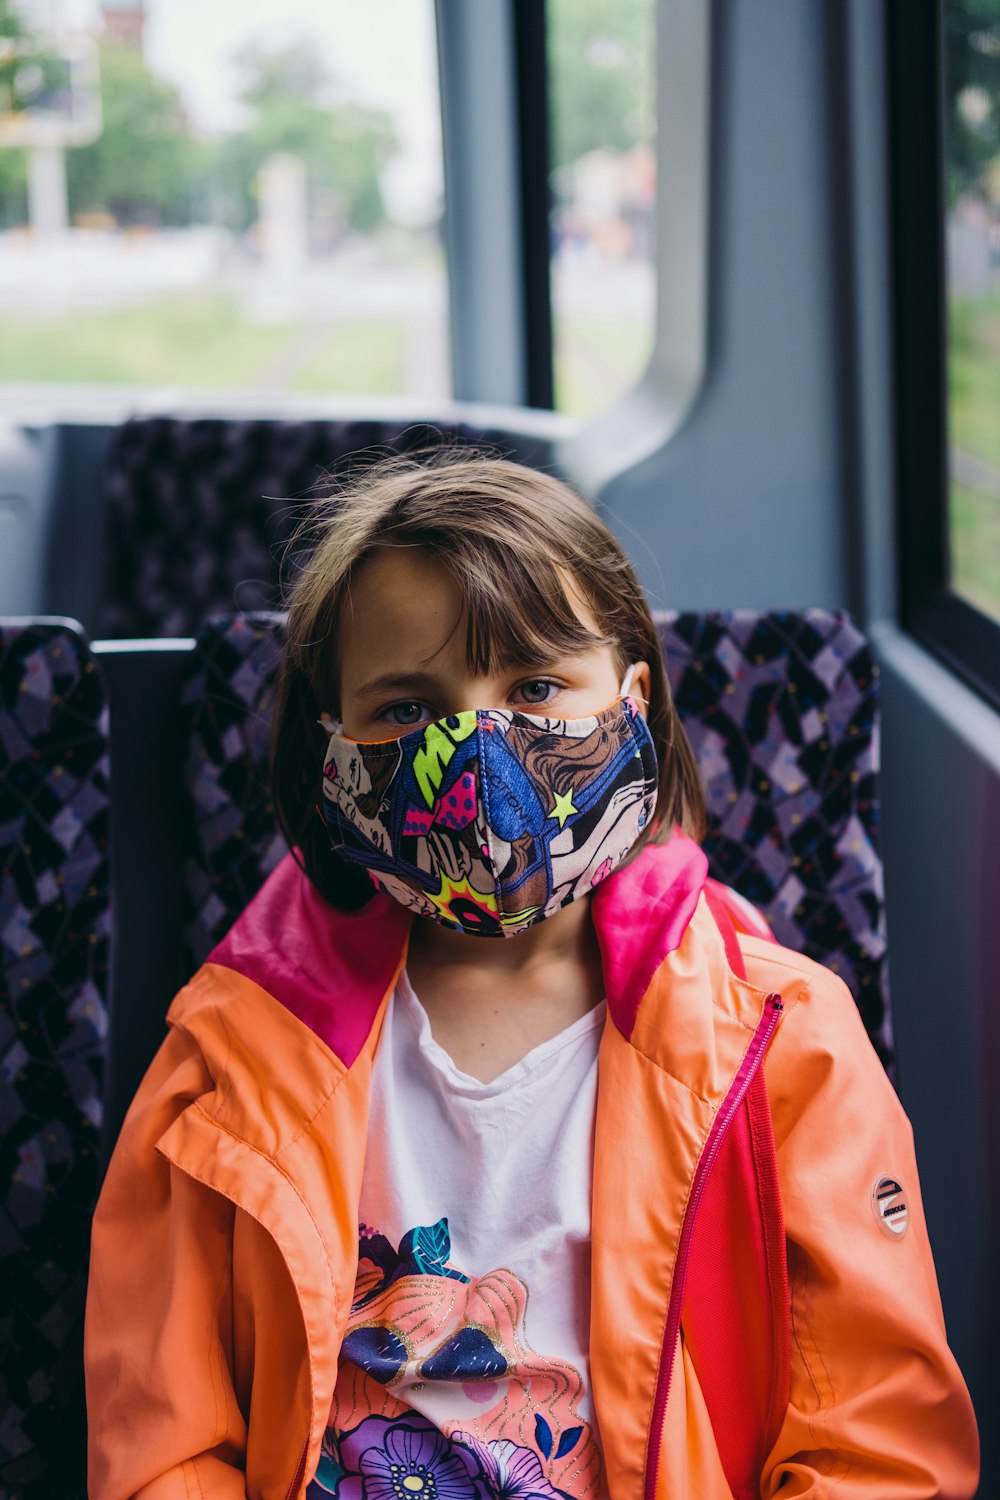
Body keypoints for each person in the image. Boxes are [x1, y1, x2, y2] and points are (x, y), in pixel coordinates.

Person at [85, 454, 979, 1499]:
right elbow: (165, 1446)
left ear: (633, 702)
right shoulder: (228, 1053)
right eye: (408, 711)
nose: (478, 758)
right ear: (333, 752)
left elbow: (872, 1445)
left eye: (537, 689)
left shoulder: (785, 1043)